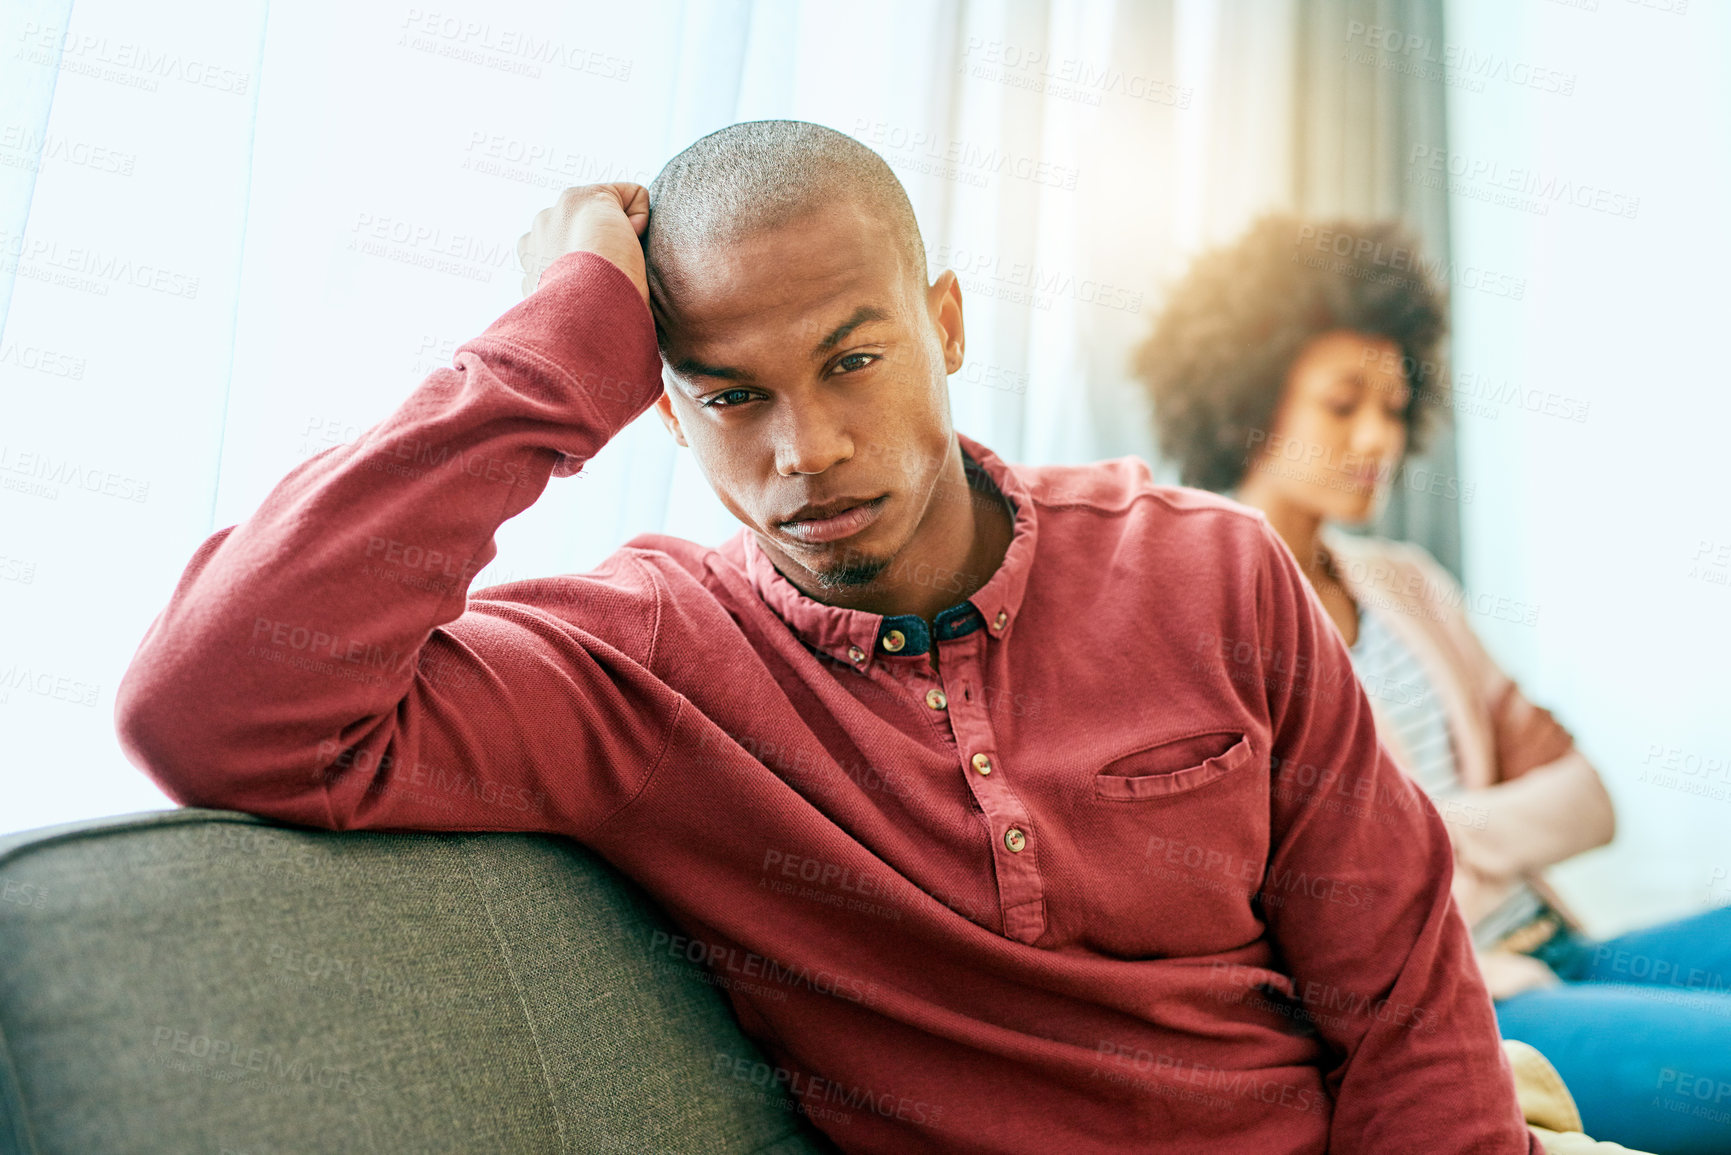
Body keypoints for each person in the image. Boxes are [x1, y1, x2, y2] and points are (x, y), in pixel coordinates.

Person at [116, 123, 1542, 1153]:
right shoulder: (639, 663)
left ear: (946, 325)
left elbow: (1406, 1000)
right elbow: (213, 705)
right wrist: (549, 348)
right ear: (660, 408)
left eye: (853, 360)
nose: (808, 448)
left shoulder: (1208, 567)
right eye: (730, 396)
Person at [1135, 212, 1731, 1155]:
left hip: (1554, 946)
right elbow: (1279, 897)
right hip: (1472, 1001)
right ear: (1245, 400)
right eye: (1342, 403)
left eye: (1394, 404)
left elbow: (1586, 798)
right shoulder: (1198, 619)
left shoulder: (1405, 581)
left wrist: (1413, 844)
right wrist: (1424, 876)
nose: (1380, 433)